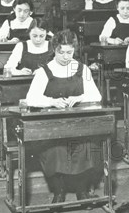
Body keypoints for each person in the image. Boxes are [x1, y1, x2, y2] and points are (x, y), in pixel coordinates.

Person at [25, 30, 103, 202]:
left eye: (70, 52)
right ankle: (58, 191)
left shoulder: (82, 69)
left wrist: (80, 98)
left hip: (78, 124)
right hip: (52, 126)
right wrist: (52, 102)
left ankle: (81, 190)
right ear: (55, 50)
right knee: (55, 150)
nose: (66, 56)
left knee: (86, 146)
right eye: (62, 52)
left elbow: (96, 96)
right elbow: (31, 99)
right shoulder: (44, 71)